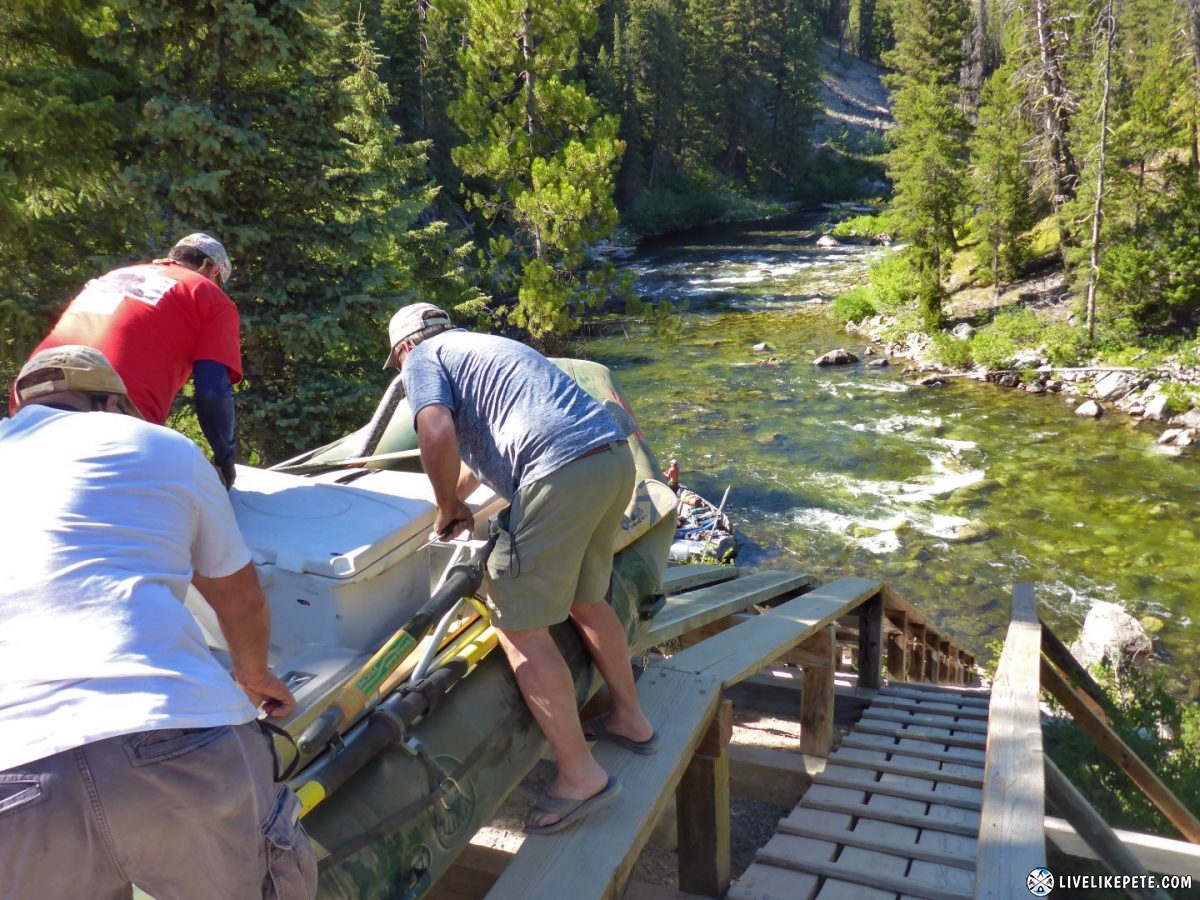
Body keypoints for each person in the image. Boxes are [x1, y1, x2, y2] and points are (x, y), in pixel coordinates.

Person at [0, 345, 316, 899]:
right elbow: (240, 600)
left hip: (17, 775)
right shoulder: (159, 445)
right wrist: (254, 677)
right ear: (112, 403)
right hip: (174, 731)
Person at [384, 303, 658, 835]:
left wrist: (445, 510)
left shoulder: (422, 360)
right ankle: (631, 718)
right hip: (610, 458)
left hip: (558, 471)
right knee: (586, 599)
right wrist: (454, 498)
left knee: (517, 624)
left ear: (403, 349)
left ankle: (580, 777)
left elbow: (435, 432)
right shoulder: (486, 348)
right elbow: (475, 455)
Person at [9, 233, 243, 488]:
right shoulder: (209, 294)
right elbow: (212, 391)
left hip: (26, 404)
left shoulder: (115, 276)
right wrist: (225, 460)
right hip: (112, 415)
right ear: (211, 268)